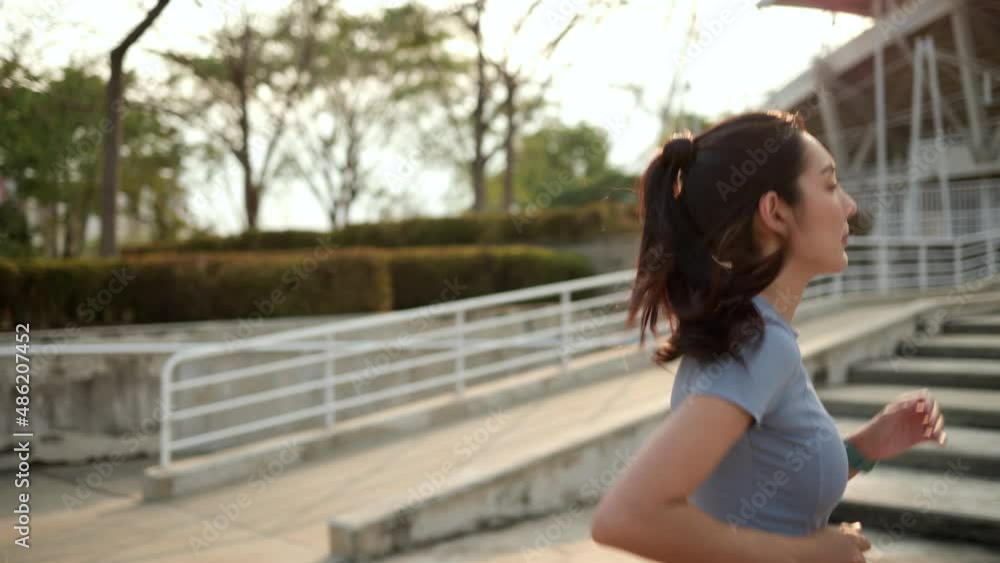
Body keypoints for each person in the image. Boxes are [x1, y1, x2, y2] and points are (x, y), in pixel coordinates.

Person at [591, 111, 948, 563]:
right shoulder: (759, 344)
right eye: (830, 185)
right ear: (776, 211)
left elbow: (749, 493)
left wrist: (863, 449)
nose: (850, 206)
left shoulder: (743, 331)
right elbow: (626, 518)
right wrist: (807, 554)